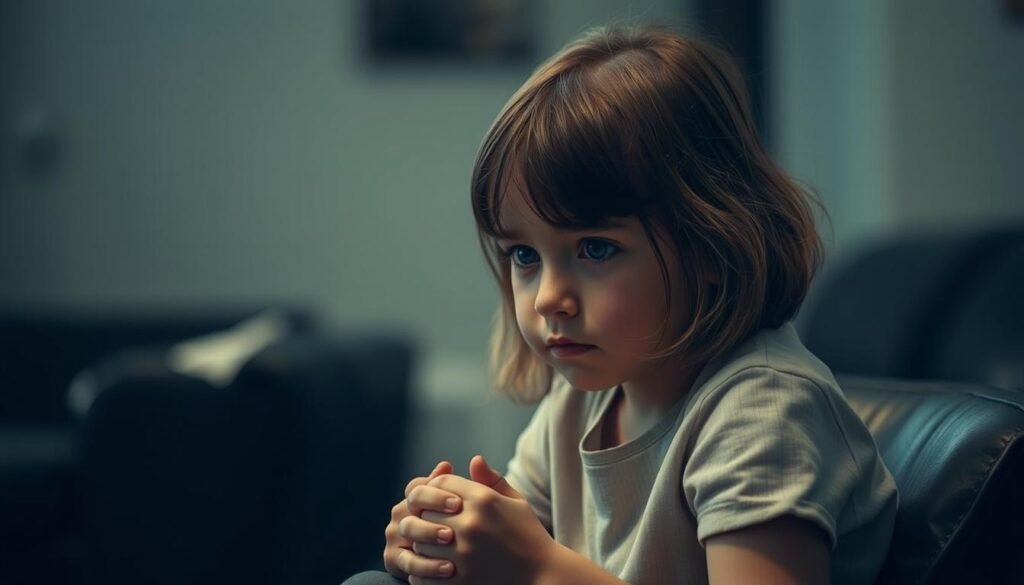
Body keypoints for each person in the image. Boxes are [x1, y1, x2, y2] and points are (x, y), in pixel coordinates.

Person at [345, 24, 897, 585]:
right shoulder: (579, 402)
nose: (549, 298)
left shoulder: (763, 410)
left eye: (596, 248)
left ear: (709, 242)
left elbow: (541, 569)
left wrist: (536, 566)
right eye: (524, 255)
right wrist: (449, 545)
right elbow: (516, 560)